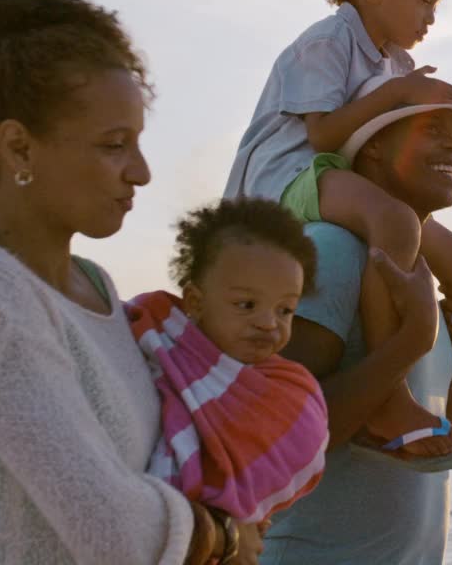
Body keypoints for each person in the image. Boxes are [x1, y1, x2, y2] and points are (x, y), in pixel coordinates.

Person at [0, 0, 259, 564]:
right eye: (113, 145)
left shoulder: (97, 288)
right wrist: (222, 536)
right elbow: (115, 531)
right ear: (19, 148)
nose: (142, 173)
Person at [223, 0, 452, 467]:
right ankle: (389, 396)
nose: (432, 15)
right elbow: (324, 134)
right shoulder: (327, 42)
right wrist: (397, 95)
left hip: (340, 181)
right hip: (285, 183)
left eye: (437, 3)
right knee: (395, 222)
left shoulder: (396, 63)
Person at [260, 94, 452, 564]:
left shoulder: (422, 271)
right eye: (431, 131)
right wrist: (411, 341)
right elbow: (278, 440)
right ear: (373, 147)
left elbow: (416, 424)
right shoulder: (333, 251)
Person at [127, 197, 329, 525]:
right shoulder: (159, 344)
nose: (268, 323)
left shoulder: (289, 391)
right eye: (246, 304)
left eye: (285, 310)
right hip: (165, 526)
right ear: (194, 301)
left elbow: (298, 445)